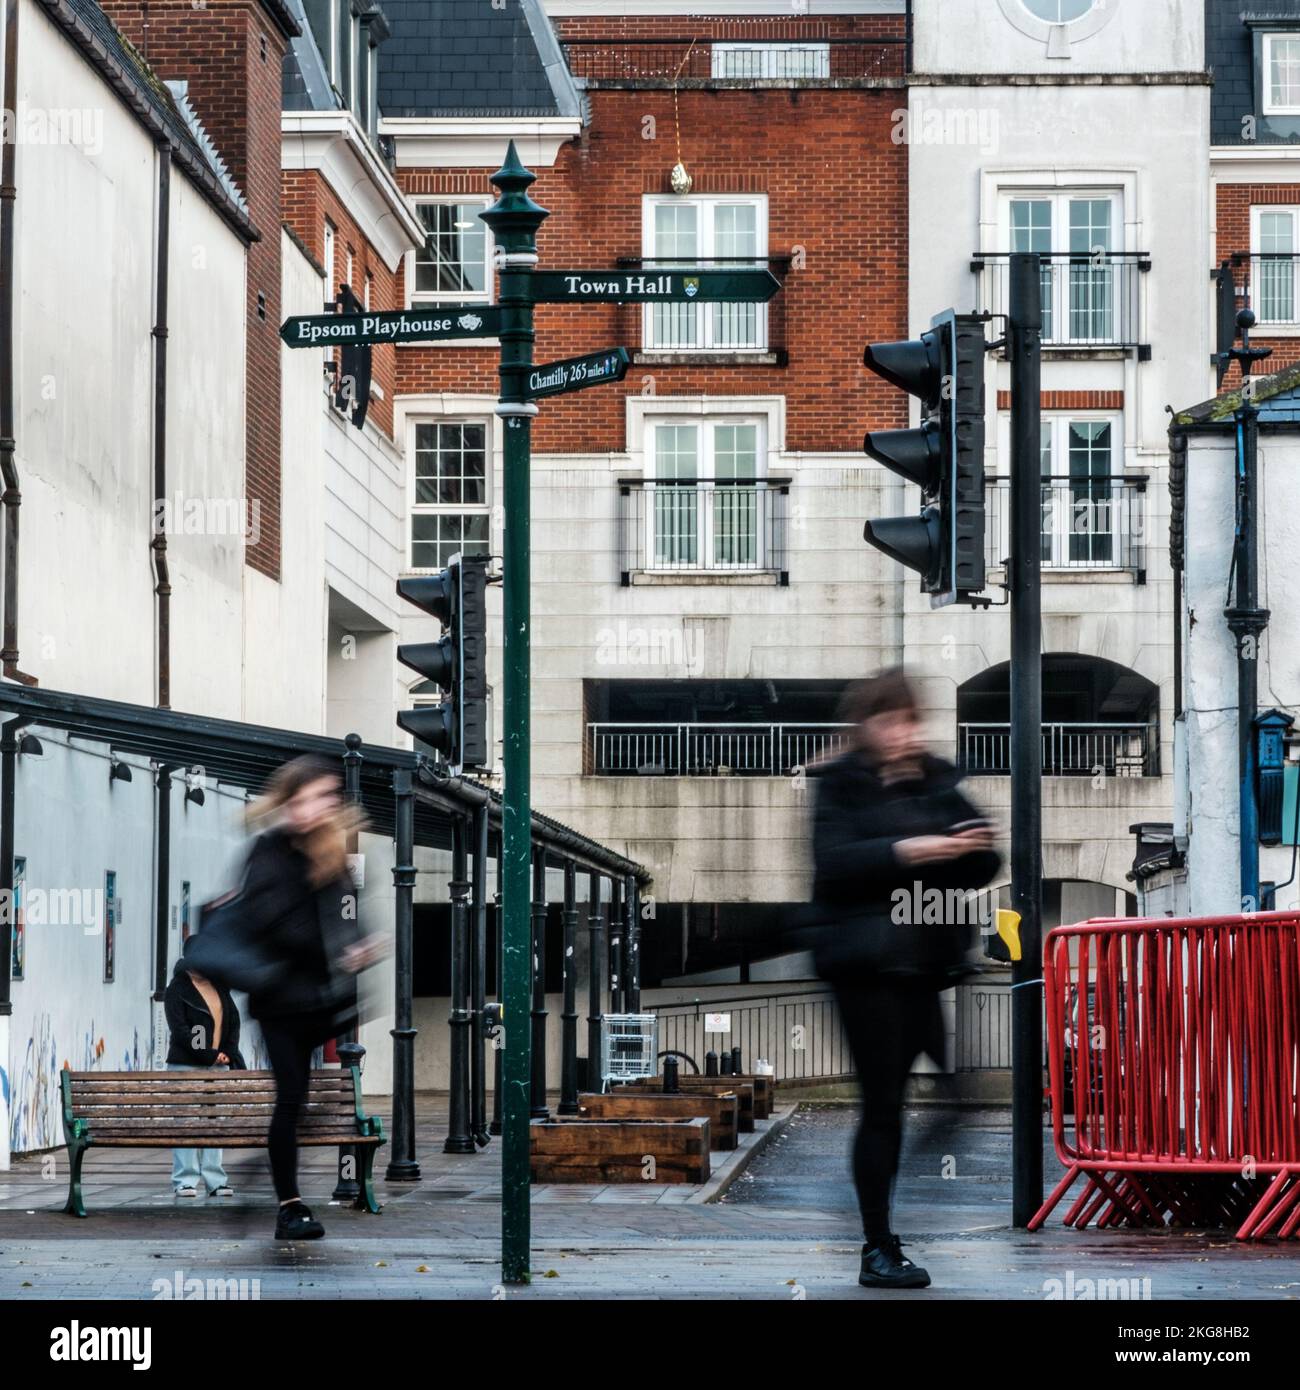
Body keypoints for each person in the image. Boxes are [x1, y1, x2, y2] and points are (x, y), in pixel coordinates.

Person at [808, 669, 1000, 1290]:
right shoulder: (840, 785)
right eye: (890, 721)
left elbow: (984, 863)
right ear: (866, 726)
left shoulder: (937, 780)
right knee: (883, 1105)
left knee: (951, 1097)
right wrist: (908, 851)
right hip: (864, 969)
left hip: (923, 968)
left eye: (911, 720)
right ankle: (877, 1246)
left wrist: (967, 849)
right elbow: (833, 867)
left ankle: (879, 1195)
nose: (902, 733)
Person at [239, 755, 389, 1241]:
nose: (312, 809)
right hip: (280, 1003)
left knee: (302, 1103)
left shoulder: (332, 853)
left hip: (320, 1003)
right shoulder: (268, 850)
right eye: (302, 800)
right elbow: (270, 920)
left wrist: (360, 947)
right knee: (291, 1099)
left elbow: (346, 914)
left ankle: (274, 1171)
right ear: (287, 801)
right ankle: (290, 1207)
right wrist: (337, 953)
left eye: (322, 798)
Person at [164, 941, 246, 1198]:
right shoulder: (177, 989)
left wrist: (228, 1053)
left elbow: (233, 1022)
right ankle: (185, 1181)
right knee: (186, 1124)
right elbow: (181, 1031)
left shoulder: (219, 986)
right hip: (185, 1067)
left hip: (217, 1066)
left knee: (214, 1124)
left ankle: (215, 1180)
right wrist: (210, 1054)